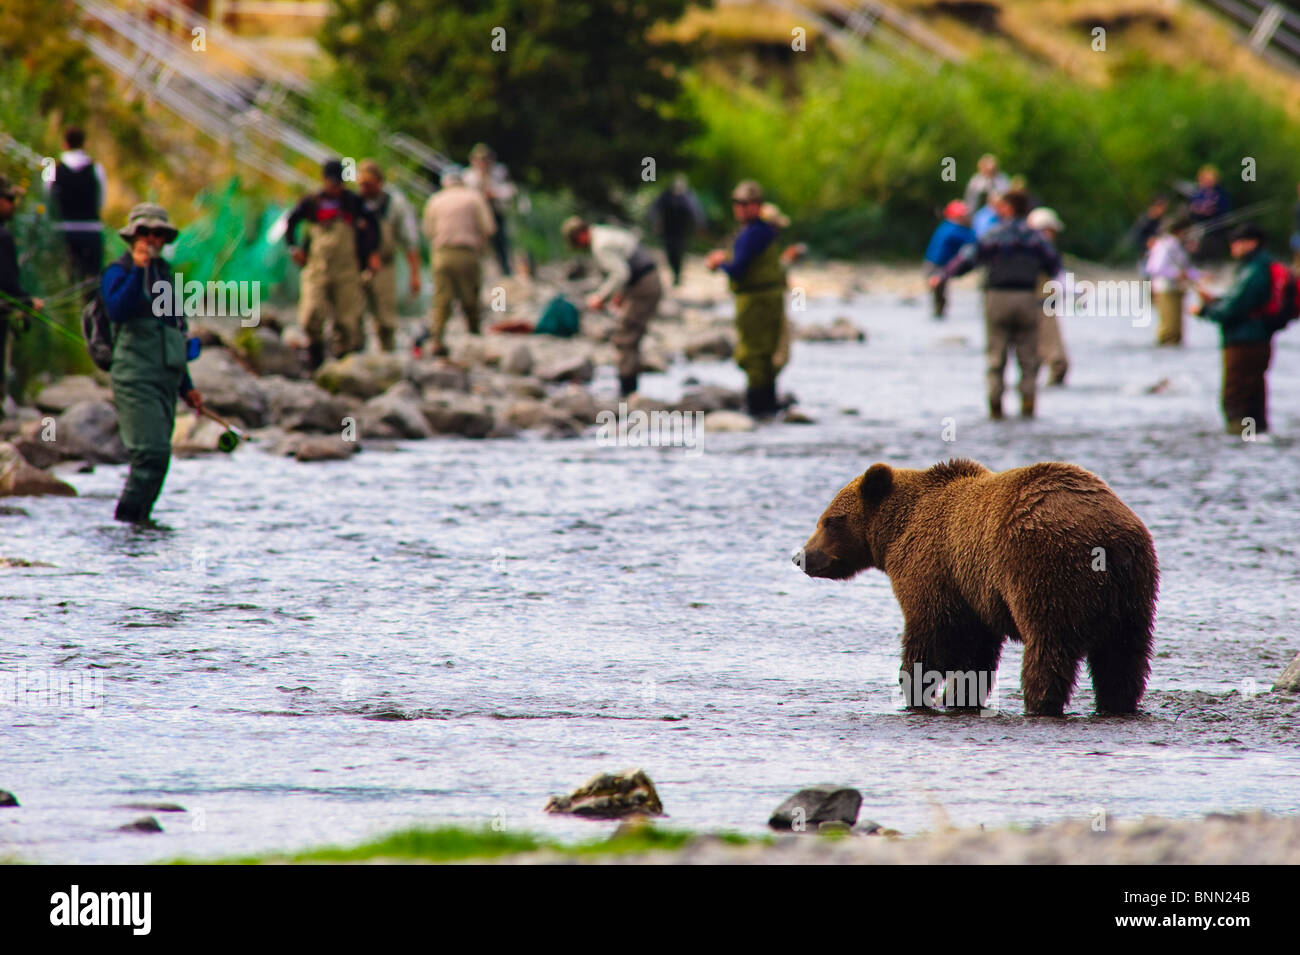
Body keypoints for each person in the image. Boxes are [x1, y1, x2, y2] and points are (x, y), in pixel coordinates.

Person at [101, 203, 204, 524]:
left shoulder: (165, 277)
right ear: (133, 237)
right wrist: (137, 270)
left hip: (166, 379)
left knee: (160, 460)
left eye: (158, 233)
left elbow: (174, 331)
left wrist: (187, 387)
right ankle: (125, 525)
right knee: (150, 455)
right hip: (135, 377)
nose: (152, 238)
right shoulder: (118, 272)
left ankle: (139, 524)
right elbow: (118, 309)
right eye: (144, 232)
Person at [931, 188, 1062, 420]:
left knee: (996, 358)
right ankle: (1028, 409)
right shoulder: (1037, 238)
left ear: (1009, 208)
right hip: (1028, 299)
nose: (997, 210)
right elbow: (1054, 267)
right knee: (1029, 359)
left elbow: (968, 258)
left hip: (997, 299)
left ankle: (996, 411)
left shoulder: (994, 234)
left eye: (1001, 206)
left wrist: (943, 275)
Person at [285, 159, 380, 369]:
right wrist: (294, 247)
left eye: (339, 183)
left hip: (347, 270)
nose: (336, 188)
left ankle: (344, 362)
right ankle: (315, 355)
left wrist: (372, 253)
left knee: (347, 318)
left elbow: (373, 225)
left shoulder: (353, 202)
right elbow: (291, 221)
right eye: (332, 183)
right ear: (324, 180)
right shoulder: (313, 201)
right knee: (312, 313)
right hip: (317, 267)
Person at [706, 180, 787, 418]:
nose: (739, 208)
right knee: (766, 353)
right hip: (768, 298)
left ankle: (758, 410)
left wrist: (719, 261)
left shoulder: (753, 232)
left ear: (757, 206)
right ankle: (769, 407)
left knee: (753, 355)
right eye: (736, 203)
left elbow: (738, 269)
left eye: (745, 204)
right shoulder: (765, 229)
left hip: (755, 301)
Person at [562, 215, 663, 397]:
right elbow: (628, 264)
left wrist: (600, 297)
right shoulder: (603, 231)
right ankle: (632, 389)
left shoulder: (600, 245)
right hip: (647, 281)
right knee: (631, 335)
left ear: (580, 236)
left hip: (644, 286)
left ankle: (628, 389)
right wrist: (619, 295)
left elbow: (621, 273)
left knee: (624, 336)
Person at [1192, 223, 1278, 435]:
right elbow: (1243, 303)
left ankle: (1241, 444)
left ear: (1252, 243)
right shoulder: (1261, 266)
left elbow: (1232, 310)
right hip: (1258, 340)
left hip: (1243, 343)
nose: (1233, 248)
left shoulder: (1254, 270)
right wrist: (1216, 300)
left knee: (1236, 399)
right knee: (1253, 397)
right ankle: (1257, 439)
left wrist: (1205, 310)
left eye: (1237, 243)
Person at [422, 169, 495, 357]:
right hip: (467, 253)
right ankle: (473, 337)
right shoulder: (473, 198)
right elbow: (488, 228)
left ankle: (437, 339)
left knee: (441, 299)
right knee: (470, 297)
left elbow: (428, 231)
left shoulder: (435, 200)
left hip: (442, 254)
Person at [357, 159, 421, 352]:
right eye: (361, 184)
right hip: (356, 264)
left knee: (385, 317)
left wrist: (414, 274)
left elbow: (410, 241)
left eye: (368, 184)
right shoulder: (354, 203)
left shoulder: (395, 205)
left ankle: (387, 353)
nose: (364, 188)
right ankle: (353, 355)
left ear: (379, 182)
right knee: (351, 314)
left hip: (384, 265)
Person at [0, 175, 44, 415]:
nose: (13, 205)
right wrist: (29, 302)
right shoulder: (3, 237)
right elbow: (7, 285)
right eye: (9, 199)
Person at [45, 126, 107, 290]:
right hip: (90, 231)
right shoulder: (96, 169)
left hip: (62, 232)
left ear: (64, 144)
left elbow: (48, 201)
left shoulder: (54, 169)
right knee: (90, 284)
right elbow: (101, 201)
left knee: (61, 282)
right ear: (85, 144)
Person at [1026, 207, 1069, 386]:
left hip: (1032, 305)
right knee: (1058, 361)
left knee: (1033, 357)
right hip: (1043, 306)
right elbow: (1059, 274)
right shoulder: (1042, 248)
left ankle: (1032, 390)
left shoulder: (1024, 246)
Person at [1145, 215, 1201, 346]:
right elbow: (1154, 268)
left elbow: (1186, 268)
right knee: (1169, 331)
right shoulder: (1166, 245)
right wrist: (1176, 274)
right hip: (1166, 290)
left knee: (1177, 332)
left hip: (1177, 290)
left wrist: (1200, 275)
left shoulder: (1177, 245)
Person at [463, 144, 516, 276]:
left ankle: (505, 271)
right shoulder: (468, 176)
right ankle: (479, 272)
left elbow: (510, 190)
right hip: (477, 215)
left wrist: (495, 193)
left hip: (496, 211)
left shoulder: (499, 172)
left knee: (501, 243)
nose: (482, 163)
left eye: (485, 159)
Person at [923, 200, 975, 319]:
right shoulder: (955, 229)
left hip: (934, 263)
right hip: (937, 265)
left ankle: (939, 314)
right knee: (939, 291)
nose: (966, 217)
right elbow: (973, 240)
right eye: (964, 215)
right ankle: (939, 314)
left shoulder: (946, 226)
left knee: (939, 292)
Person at [649, 174, 703, 286]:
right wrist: (655, 222)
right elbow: (655, 208)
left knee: (678, 253)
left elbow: (696, 211)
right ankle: (675, 273)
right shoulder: (666, 195)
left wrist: (699, 225)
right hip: (668, 230)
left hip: (682, 231)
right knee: (669, 252)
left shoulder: (688, 196)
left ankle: (677, 275)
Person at [1188, 165, 1231, 261]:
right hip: (1199, 229)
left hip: (1215, 230)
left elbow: (1224, 209)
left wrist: (1211, 211)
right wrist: (1199, 210)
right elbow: (1191, 210)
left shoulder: (1220, 193)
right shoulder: (1196, 194)